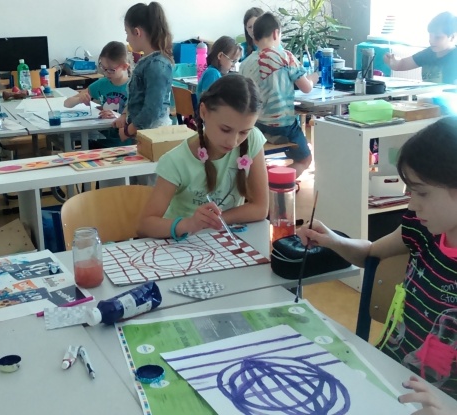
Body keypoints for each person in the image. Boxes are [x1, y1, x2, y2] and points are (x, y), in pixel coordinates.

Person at [298, 117, 457, 399]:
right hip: (389, 376)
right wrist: (333, 241)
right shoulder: (421, 228)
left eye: (422, 193)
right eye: (410, 192)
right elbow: (371, 254)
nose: (412, 205)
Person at [137, 74, 268, 239]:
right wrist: (190, 224)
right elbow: (145, 225)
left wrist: (214, 221)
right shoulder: (176, 161)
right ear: (204, 112)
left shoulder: (252, 139)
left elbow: (260, 208)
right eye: (225, 129)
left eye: (244, 132)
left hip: (223, 239)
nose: (233, 141)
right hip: (184, 243)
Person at [240, 12, 318, 178]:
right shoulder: (286, 57)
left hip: (256, 124)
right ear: (276, 33)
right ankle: (274, 184)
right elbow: (306, 88)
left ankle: (267, 179)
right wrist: (314, 78)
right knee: (305, 159)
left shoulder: (245, 64)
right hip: (284, 125)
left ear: (254, 39)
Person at [116, 1, 174, 142]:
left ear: (137, 32)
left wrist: (128, 131)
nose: (127, 39)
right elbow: (138, 97)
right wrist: (125, 115)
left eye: (127, 33)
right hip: (145, 133)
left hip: (155, 136)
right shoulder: (147, 61)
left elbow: (152, 109)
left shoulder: (157, 65)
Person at [64, 41, 132, 148]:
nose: (106, 73)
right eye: (103, 68)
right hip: (101, 142)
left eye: (111, 70)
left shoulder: (135, 87)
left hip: (126, 145)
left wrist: (117, 116)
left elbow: (140, 120)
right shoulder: (102, 84)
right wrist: (79, 99)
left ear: (125, 66)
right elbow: (67, 103)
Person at [384, 12, 457, 85]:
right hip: (427, 92)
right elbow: (402, 64)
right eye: (430, 36)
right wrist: (393, 61)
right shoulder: (428, 53)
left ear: (452, 37)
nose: (431, 40)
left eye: (437, 37)